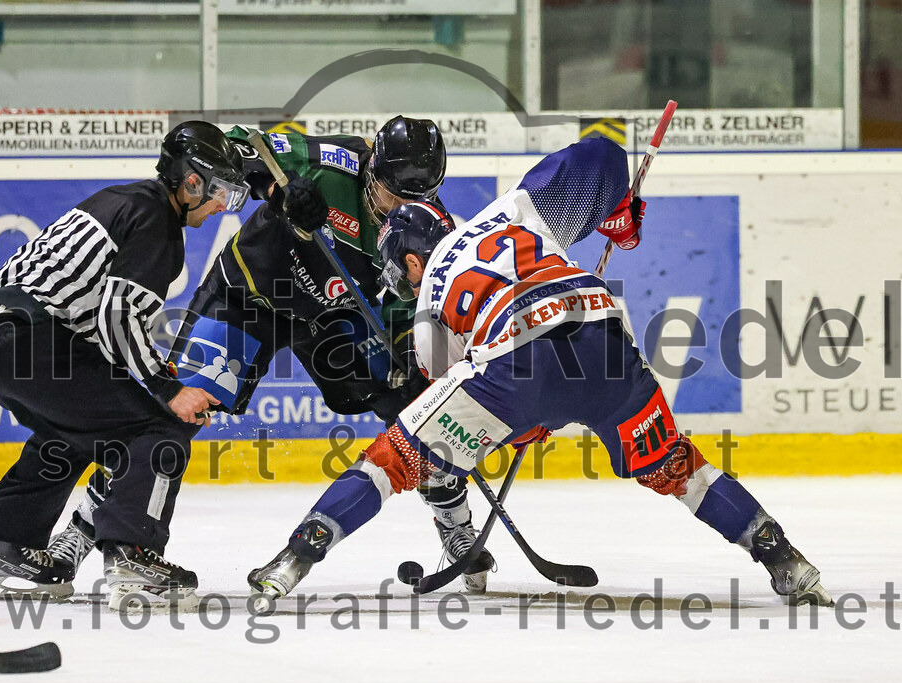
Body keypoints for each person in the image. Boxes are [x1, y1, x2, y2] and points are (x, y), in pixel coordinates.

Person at [246, 136, 834, 611]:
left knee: (392, 459)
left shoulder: (428, 295)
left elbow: (459, 400)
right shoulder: (509, 214)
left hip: (517, 366)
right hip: (607, 342)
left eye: (397, 268)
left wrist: (524, 421)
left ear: (411, 257)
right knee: (678, 466)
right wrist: (616, 211)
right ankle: (783, 558)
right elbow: (600, 154)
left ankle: (297, 555)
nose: (399, 279)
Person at [50, 116, 497, 593]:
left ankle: (454, 526)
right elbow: (234, 145)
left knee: (421, 412)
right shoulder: (330, 162)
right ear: (371, 170)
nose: (398, 211)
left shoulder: (433, 227)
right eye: (390, 195)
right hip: (250, 297)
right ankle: (83, 530)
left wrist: (416, 368)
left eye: (416, 200)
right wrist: (277, 189)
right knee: (177, 406)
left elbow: (426, 304)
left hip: (338, 323)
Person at [0, 121, 248, 610]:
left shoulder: (120, 199)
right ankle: (134, 554)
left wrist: (148, 379)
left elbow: (100, 326)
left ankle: (6, 543)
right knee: (160, 430)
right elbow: (119, 315)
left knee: (73, 431)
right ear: (192, 181)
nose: (223, 206)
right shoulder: (157, 223)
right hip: (30, 341)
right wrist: (165, 389)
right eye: (220, 191)